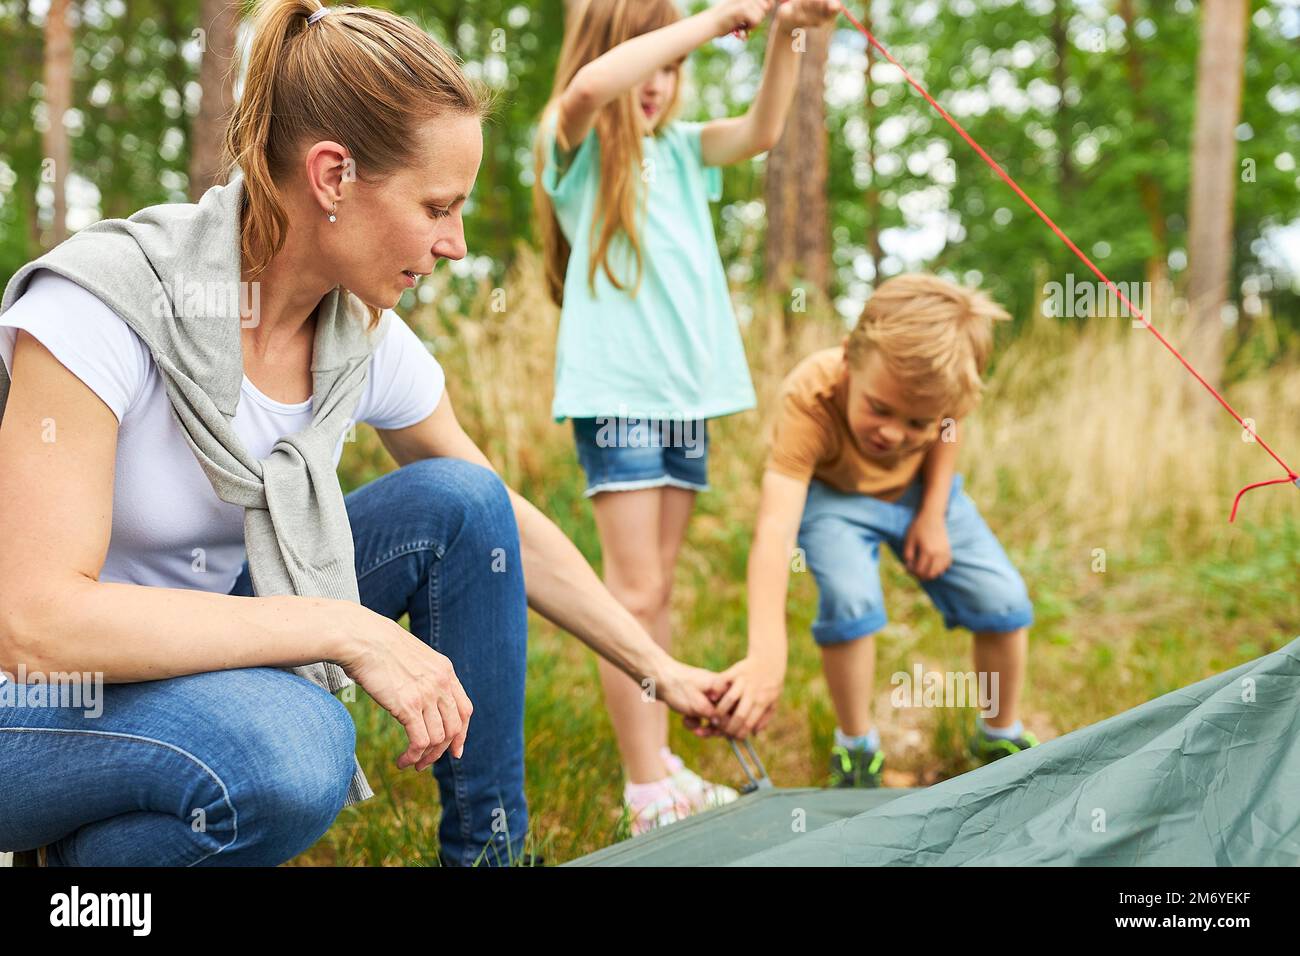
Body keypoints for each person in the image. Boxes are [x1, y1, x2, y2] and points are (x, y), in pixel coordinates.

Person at [0, 0, 727, 868]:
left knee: (461, 503)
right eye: (436, 207)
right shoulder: (104, 305)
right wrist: (348, 630)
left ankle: (492, 859)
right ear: (333, 176)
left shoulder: (357, 335)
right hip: (38, 702)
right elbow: (36, 628)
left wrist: (659, 667)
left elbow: (504, 525)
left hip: (182, 662)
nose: (455, 243)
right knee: (290, 751)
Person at [532, 0, 843, 834]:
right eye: (648, 60)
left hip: (684, 398)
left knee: (657, 586)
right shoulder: (577, 146)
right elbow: (595, 84)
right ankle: (644, 789)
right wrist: (712, 21)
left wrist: (786, 31)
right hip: (622, 396)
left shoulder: (683, 149)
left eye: (670, 68)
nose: (658, 82)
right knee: (632, 590)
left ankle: (658, 758)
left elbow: (766, 129)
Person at [716, 274, 1039, 787]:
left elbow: (950, 428)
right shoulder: (810, 393)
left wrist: (932, 515)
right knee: (850, 600)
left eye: (917, 423)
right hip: (835, 498)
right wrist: (766, 651)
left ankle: (997, 733)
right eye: (880, 409)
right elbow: (775, 528)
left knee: (1003, 600)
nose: (893, 433)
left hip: (921, 491)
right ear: (848, 358)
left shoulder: (946, 384)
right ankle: (857, 748)